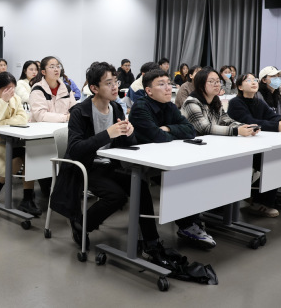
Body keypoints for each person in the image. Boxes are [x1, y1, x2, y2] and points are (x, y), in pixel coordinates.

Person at [51, 62, 176, 266]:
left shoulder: (116, 107)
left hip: (109, 164)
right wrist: (107, 134)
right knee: (116, 196)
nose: (115, 87)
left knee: (139, 185)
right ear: (94, 88)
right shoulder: (80, 112)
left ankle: (152, 242)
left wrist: (129, 133)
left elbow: (125, 144)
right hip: (84, 166)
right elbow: (75, 149)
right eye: (108, 83)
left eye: (115, 82)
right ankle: (81, 224)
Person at [130, 69, 218, 249]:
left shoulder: (169, 106)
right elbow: (157, 136)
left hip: (165, 157)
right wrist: (168, 132)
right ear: (148, 91)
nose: (168, 88)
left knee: (190, 175)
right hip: (140, 163)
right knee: (179, 178)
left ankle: (189, 224)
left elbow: (190, 131)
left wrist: (168, 129)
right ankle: (186, 226)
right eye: (161, 84)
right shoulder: (140, 107)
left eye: (169, 83)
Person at [0, 72, 41, 216]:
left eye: (13, 88)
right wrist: (3, 101)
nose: (10, 92)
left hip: (13, 139)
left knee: (30, 157)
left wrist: (3, 122)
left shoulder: (16, 98)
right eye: (7, 89)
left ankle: (27, 199)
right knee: (16, 161)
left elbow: (23, 118)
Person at [228, 73, 281, 217]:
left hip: (256, 144)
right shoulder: (235, 103)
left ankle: (258, 198)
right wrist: (276, 126)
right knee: (270, 162)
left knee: (275, 159)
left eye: (255, 80)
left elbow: (272, 116)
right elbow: (249, 122)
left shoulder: (258, 102)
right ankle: (260, 202)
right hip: (238, 149)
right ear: (240, 87)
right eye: (248, 80)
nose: (253, 82)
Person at [181, 67, 257, 138]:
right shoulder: (191, 103)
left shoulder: (215, 101)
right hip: (193, 144)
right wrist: (236, 131)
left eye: (218, 81)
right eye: (211, 81)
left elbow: (226, 120)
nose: (217, 84)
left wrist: (246, 127)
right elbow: (205, 128)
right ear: (200, 85)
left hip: (212, 141)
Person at [29, 56, 76, 122]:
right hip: (43, 127)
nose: (56, 69)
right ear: (43, 72)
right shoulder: (38, 89)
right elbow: (40, 115)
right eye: (52, 67)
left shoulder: (66, 88)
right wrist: (66, 117)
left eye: (58, 66)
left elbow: (74, 109)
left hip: (64, 126)